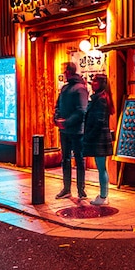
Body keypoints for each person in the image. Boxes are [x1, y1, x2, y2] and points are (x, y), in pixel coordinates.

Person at [53, 61, 88, 199]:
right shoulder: (65, 89)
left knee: (79, 159)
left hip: (77, 131)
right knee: (65, 159)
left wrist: (66, 122)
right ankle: (66, 189)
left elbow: (82, 111)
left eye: (64, 71)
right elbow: (57, 106)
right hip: (65, 130)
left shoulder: (80, 88)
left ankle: (81, 190)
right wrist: (57, 119)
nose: (63, 73)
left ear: (69, 72)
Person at [82, 73, 115, 206]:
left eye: (95, 81)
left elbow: (99, 121)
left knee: (101, 167)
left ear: (101, 83)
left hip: (99, 137)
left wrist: (89, 135)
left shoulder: (100, 99)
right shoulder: (100, 97)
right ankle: (103, 194)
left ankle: (103, 196)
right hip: (99, 136)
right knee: (101, 167)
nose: (93, 84)